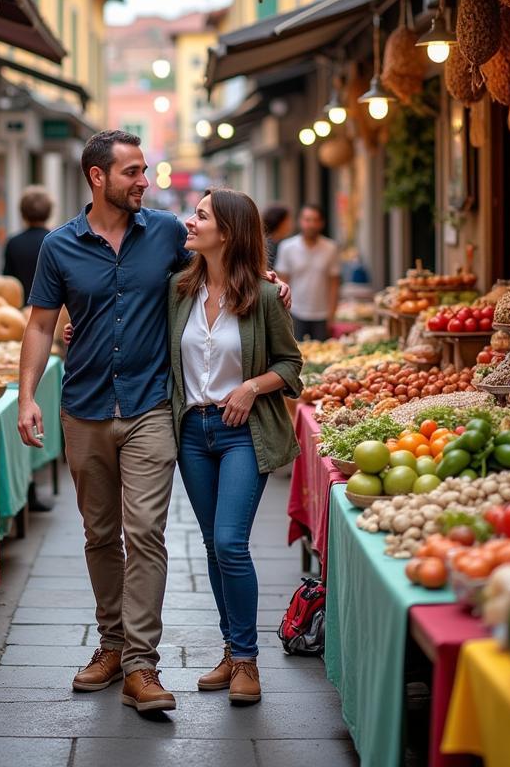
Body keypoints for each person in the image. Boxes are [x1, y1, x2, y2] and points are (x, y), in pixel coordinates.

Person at [17, 130, 289, 716]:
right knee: (98, 535)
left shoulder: (166, 231)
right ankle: (110, 645)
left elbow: (226, 266)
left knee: (145, 533)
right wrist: (26, 397)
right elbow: (41, 325)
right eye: (133, 172)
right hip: (84, 407)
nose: (145, 181)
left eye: (144, 171)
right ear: (98, 177)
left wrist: (270, 281)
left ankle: (142, 664)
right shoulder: (58, 247)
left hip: (151, 408)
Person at [168, 189, 302, 705]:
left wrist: (250, 386)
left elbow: (291, 366)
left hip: (243, 433)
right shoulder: (178, 290)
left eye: (200, 215)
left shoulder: (265, 297)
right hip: (193, 434)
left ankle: (246, 660)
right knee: (211, 546)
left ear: (227, 232)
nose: (190, 220)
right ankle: (230, 651)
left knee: (229, 543)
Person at [274, 203, 341, 342]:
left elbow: (334, 283)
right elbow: (281, 283)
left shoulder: (331, 248)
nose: (311, 224)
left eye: (315, 220)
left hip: (322, 315)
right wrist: (281, 315)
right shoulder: (287, 247)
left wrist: (332, 315)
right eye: (307, 219)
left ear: (321, 223)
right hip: (294, 312)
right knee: (295, 357)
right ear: (300, 221)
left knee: (322, 357)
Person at [2, 185, 53, 300]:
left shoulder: (13, 243)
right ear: (49, 213)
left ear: (22, 213)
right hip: (51, 310)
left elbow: (8, 282)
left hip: (19, 310)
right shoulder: (57, 241)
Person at [261, 204, 292, 270]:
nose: (291, 223)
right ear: (280, 222)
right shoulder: (266, 245)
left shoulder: (286, 242)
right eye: (288, 220)